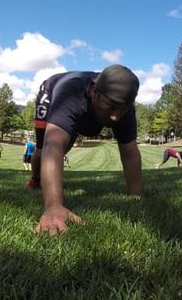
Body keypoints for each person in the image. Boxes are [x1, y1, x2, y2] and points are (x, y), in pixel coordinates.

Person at [26, 64, 142, 234]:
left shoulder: (124, 106)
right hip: (51, 91)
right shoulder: (71, 95)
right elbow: (54, 145)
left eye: (122, 109)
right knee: (43, 146)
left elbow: (130, 152)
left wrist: (136, 197)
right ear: (94, 92)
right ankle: (35, 180)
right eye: (111, 105)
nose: (115, 117)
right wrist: (53, 207)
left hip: (85, 108)